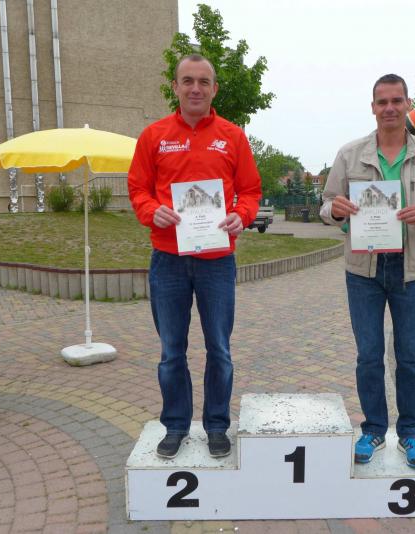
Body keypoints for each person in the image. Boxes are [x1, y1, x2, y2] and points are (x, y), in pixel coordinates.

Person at [127, 54, 261, 459]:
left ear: (214, 89)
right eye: (188, 81)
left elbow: (250, 191)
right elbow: (138, 189)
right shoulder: (154, 136)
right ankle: (176, 425)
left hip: (217, 260)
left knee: (219, 348)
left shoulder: (232, 136)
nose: (196, 88)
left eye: (204, 81)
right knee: (172, 351)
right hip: (168, 260)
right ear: (175, 87)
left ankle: (217, 425)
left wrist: (242, 215)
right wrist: (152, 211)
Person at [320, 74, 415, 468]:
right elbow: (326, 204)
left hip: (411, 270)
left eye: (397, 100)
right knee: (369, 355)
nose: (390, 108)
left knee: (411, 356)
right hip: (363, 270)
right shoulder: (350, 154)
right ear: (373, 107)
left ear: (408, 104)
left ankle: (411, 433)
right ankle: (374, 429)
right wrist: (336, 210)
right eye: (382, 102)